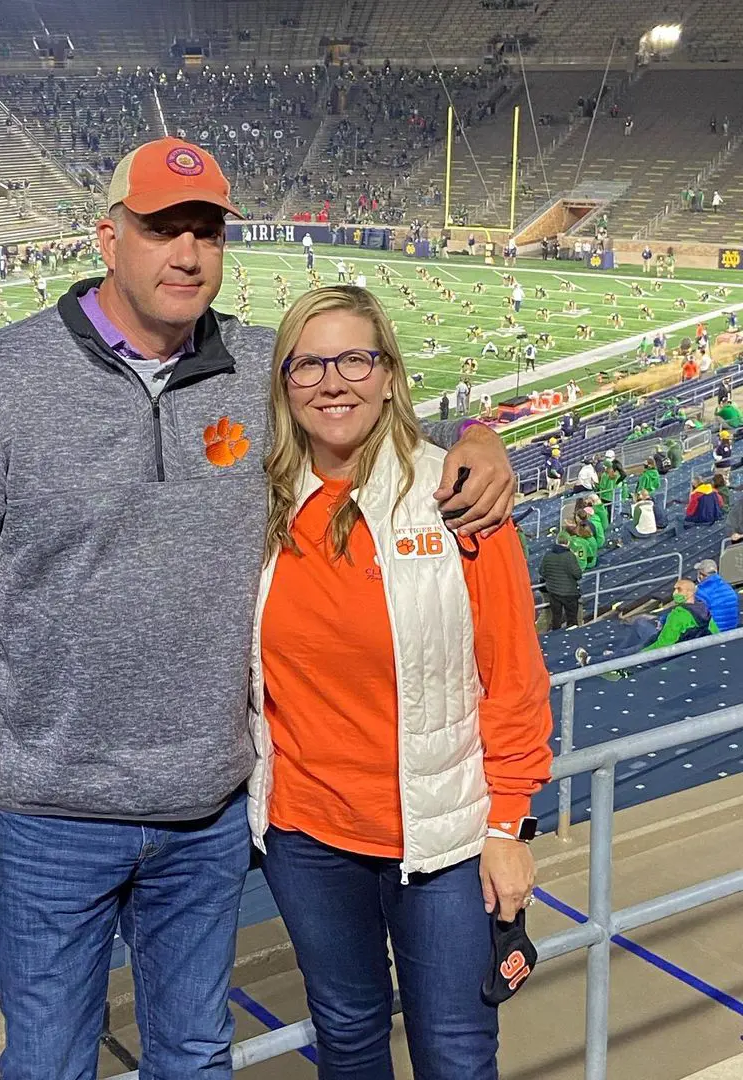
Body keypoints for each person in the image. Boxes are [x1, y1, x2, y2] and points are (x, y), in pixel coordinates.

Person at [0, 136, 517, 1078]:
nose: (186, 252)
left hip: (207, 812)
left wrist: (479, 435)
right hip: (54, 814)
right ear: (108, 236)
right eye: (161, 228)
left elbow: (373, 427)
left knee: (192, 1056)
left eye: (206, 231)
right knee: (51, 1061)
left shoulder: (263, 372)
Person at [250, 286, 553, 1076]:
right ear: (283, 382)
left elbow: (514, 677)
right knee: (347, 1038)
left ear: (390, 373)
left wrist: (509, 829)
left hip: (445, 840)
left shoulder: (456, 494)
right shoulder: (257, 504)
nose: (333, 381)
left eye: (356, 358)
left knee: (455, 1052)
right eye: (308, 363)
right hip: (306, 837)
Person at [576, 579, 717, 669]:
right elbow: (714, 632)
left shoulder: (679, 615)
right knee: (640, 623)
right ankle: (615, 653)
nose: (674, 592)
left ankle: (590, 661)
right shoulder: (702, 608)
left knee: (630, 652)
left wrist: (643, 653)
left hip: (662, 654)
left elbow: (663, 644)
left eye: (678, 589)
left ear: (689, 593)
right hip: (683, 646)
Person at [539, 531, 583, 630]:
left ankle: (556, 637)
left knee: (556, 618)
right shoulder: (569, 556)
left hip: (553, 592)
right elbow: (578, 575)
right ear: (568, 542)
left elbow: (542, 571)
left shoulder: (548, 555)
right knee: (572, 619)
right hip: (569, 593)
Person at [694, 558, 740, 631]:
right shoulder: (727, 587)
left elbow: (697, 616)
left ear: (701, 575)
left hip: (715, 632)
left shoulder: (701, 592)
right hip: (732, 629)